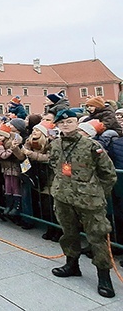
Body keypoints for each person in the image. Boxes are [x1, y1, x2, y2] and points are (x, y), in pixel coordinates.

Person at [47, 109, 118, 298]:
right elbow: (54, 166)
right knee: (68, 233)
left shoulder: (91, 146)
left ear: (77, 123)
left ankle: (104, 277)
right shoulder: (55, 145)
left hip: (89, 200)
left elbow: (108, 174)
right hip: (63, 197)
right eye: (61, 123)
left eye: (69, 122)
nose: (65, 125)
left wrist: (97, 193)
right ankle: (72, 264)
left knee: (97, 238)